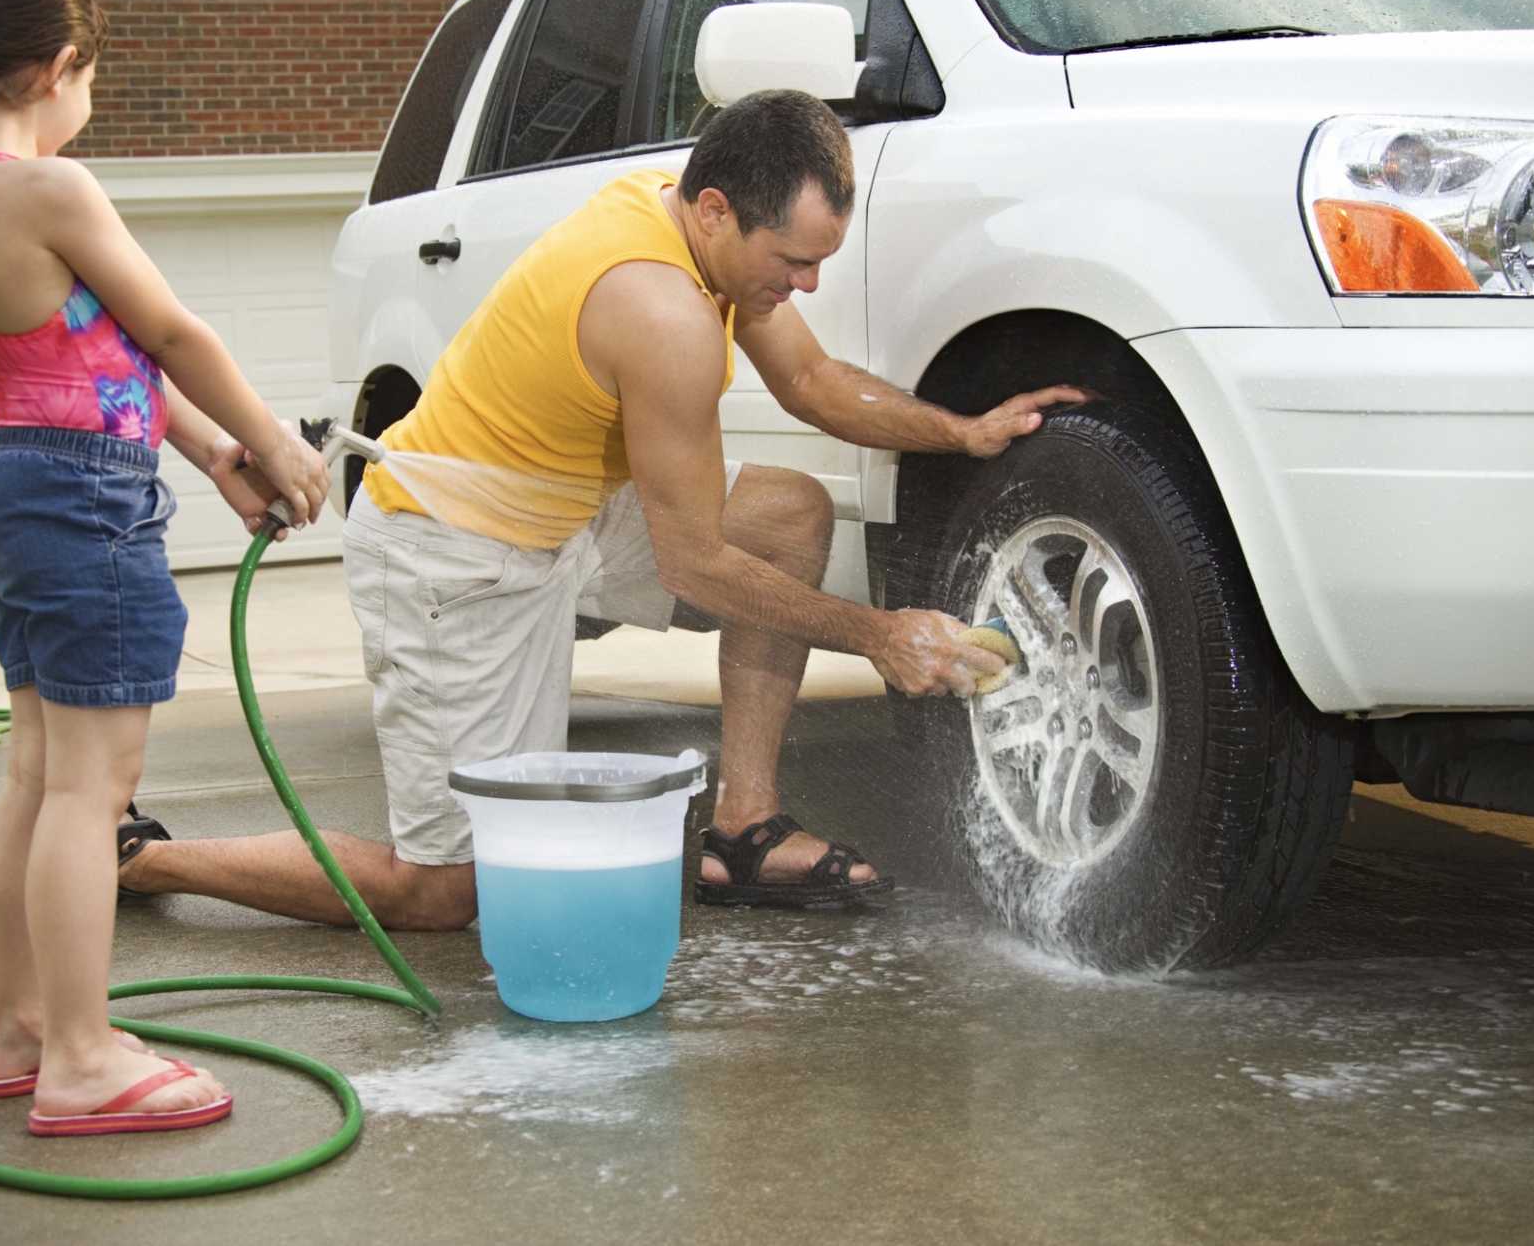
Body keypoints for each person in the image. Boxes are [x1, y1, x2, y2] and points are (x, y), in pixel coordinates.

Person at [119, 88, 1084, 926]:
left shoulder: (681, 215)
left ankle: (743, 828)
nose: (807, 285)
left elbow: (813, 379)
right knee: (446, 892)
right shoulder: (661, 311)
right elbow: (694, 563)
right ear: (715, 211)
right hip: (449, 550)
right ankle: (143, 858)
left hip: (562, 511)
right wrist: (879, 634)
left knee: (788, 514)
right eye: (794, 261)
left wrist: (963, 431)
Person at [0, 0, 329, 1136]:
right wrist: (279, 445)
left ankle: (17, 1025)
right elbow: (173, 332)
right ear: (58, 65)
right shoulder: (50, 187)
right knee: (94, 790)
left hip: (26, 482)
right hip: (83, 499)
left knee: (39, 778)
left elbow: (95, 357)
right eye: (90, 78)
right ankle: (82, 1057)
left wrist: (213, 459)